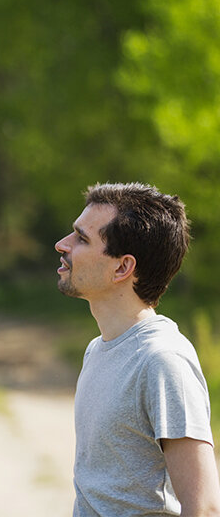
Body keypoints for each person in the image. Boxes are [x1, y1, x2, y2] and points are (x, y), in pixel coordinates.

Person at [55, 182, 220, 516]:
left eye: (82, 238)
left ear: (122, 267)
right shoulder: (97, 349)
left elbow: (203, 506)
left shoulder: (162, 360)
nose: (62, 245)